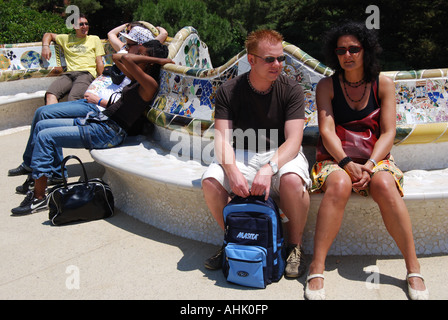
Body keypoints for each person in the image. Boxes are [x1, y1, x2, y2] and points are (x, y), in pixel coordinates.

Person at [305, 21, 428, 300]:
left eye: (353, 49)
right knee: (338, 184)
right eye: (341, 50)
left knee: (384, 184)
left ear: (366, 50)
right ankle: (317, 266)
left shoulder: (382, 83)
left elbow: (389, 132)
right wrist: (347, 163)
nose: (347, 55)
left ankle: (413, 266)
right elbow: (326, 130)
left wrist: (371, 165)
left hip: (375, 158)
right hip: (337, 158)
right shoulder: (327, 85)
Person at [11, 40, 174, 216]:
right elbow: (117, 57)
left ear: (149, 60)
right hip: (99, 122)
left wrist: (156, 60)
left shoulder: (148, 83)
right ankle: (45, 175)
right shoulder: (138, 78)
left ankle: (38, 197)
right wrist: (155, 60)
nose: (137, 55)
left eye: (142, 53)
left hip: (108, 133)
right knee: (42, 125)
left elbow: (126, 57)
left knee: (45, 137)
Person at [201, 30, 311, 278]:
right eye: (269, 59)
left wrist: (269, 167)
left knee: (292, 181)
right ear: (251, 60)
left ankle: (294, 247)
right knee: (210, 182)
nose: (278, 65)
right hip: (241, 151)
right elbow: (222, 140)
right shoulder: (229, 90)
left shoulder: (291, 89)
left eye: (281, 59)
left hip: (281, 152)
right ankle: (234, 238)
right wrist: (232, 171)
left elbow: (294, 140)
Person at [41, 13, 105, 105]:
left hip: (86, 74)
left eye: (86, 24)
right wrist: (45, 47)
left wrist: (101, 80)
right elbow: (48, 34)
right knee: (50, 94)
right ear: (74, 27)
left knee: (73, 98)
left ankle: (72, 119)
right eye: (81, 24)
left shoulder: (94, 39)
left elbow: (99, 62)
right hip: (69, 74)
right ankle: (52, 118)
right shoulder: (66, 38)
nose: (85, 26)